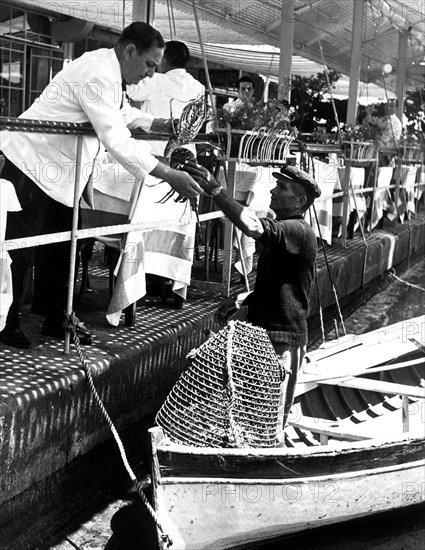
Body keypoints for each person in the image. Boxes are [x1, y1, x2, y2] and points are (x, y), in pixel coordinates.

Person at [0, 22, 202, 349]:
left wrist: (162, 124)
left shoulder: (111, 73)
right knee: (17, 252)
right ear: (130, 50)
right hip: (28, 163)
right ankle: (6, 324)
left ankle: (55, 317)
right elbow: (115, 137)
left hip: (61, 174)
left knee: (61, 246)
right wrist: (168, 173)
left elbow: (122, 113)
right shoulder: (95, 71)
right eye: (150, 64)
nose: (151, 74)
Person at [181, 160, 321, 431]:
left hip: (282, 340)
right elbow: (280, 285)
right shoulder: (286, 230)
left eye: (282, 187)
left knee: (268, 422)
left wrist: (216, 191)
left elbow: (253, 227)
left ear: (299, 200)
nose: (273, 191)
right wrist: (242, 301)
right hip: (264, 335)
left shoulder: (297, 230)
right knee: (251, 413)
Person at [127, 40, 205, 123]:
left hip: (154, 134)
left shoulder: (155, 80)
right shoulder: (199, 87)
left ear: (163, 61)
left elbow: (130, 91)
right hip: (183, 135)